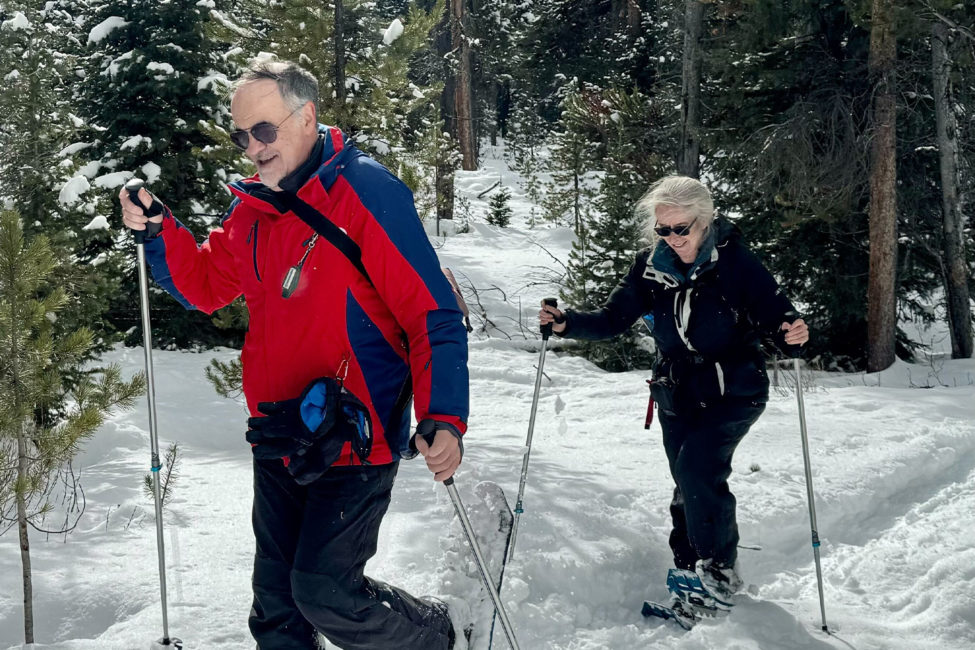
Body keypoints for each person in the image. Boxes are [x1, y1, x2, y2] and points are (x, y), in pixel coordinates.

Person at [120, 60, 468, 650]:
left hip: (356, 433)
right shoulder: (256, 208)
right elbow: (205, 285)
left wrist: (445, 416)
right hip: (280, 431)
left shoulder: (367, 192)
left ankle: (435, 636)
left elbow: (430, 311)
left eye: (263, 131)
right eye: (240, 136)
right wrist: (161, 232)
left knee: (326, 591)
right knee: (277, 608)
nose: (251, 149)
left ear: (306, 116)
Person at [539, 175, 809, 607]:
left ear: (704, 223)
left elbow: (774, 313)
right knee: (684, 479)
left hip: (733, 388)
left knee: (699, 469)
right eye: (663, 229)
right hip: (676, 390)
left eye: (680, 229)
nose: (671, 238)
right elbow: (613, 318)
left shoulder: (735, 261)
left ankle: (718, 571)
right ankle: (688, 570)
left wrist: (790, 328)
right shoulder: (651, 265)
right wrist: (567, 322)